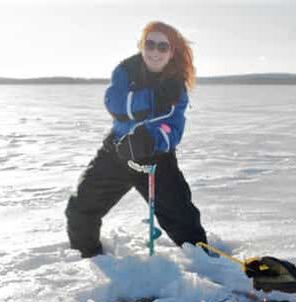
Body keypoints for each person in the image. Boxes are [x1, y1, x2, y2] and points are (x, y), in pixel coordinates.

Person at [65, 21, 208, 258]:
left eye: (163, 47)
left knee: (184, 222)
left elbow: (172, 127)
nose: (154, 51)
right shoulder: (126, 70)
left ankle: (210, 266)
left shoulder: (175, 85)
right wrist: (151, 99)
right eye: (150, 44)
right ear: (142, 45)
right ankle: (88, 260)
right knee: (80, 210)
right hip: (116, 153)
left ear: (172, 52)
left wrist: (150, 139)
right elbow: (115, 103)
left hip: (156, 160)